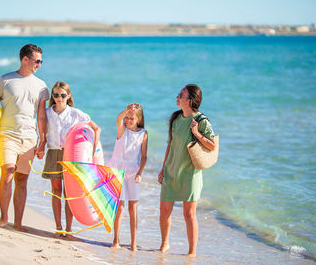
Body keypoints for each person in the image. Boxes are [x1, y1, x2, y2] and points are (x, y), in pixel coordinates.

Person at [0, 44, 49, 231]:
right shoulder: (6, 80)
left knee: (22, 179)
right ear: (25, 60)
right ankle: (4, 218)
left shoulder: (41, 86)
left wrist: (42, 140)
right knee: (8, 172)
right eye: (37, 61)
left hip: (29, 138)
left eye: (41, 61)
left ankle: (18, 223)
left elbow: (41, 115)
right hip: (7, 134)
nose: (39, 64)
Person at [158, 84, 216, 256]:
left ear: (189, 100)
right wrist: (162, 169)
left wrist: (197, 133)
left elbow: (212, 145)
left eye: (180, 95)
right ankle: (164, 244)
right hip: (171, 170)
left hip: (190, 174)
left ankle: (192, 252)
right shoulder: (175, 119)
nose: (177, 97)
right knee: (164, 210)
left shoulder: (201, 121)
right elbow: (169, 146)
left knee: (189, 214)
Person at [38, 81, 101, 238]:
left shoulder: (76, 113)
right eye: (56, 95)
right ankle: (58, 227)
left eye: (63, 95)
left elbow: (96, 128)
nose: (59, 98)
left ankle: (68, 229)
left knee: (69, 194)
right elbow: (42, 133)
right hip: (53, 153)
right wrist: (40, 146)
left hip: (71, 155)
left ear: (69, 96)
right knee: (56, 191)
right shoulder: (47, 112)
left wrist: (93, 151)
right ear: (52, 96)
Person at [107, 103, 148, 252]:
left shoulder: (143, 134)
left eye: (132, 118)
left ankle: (133, 243)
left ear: (139, 119)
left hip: (134, 171)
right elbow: (118, 120)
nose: (128, 120)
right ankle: (116, 240)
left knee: (133, 207)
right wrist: (127, 109)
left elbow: (144, 156)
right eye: (128, 118)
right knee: (120, 207)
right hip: (118, 171)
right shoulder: (122, 129)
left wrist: (140, 172)